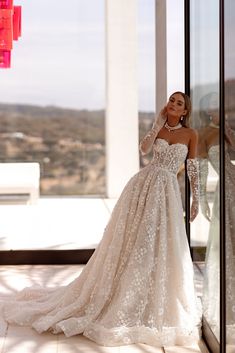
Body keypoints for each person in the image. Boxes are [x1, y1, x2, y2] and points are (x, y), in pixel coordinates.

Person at [0, 91, 201, 347]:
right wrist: (156, 126)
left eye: (179, 103)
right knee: (134, 242)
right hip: (142, 187)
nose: (173, 104)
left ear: (184, 111)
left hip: (167, 191)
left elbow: (192, 167)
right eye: (172, 100)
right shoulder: (160, 128)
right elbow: (144, 148)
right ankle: (125, 293)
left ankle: (155, 296)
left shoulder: (191, 134)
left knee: (162, 244)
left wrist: (197, 198)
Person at [198, 92, 235, 343]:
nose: (219, 109)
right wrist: (200, 200)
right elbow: (200, 169)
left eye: (221, 105)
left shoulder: (227, 130)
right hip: (226, 190)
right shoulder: (203, 134)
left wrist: (231, 135)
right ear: (208, 111)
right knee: (228, 241)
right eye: (214, 106)